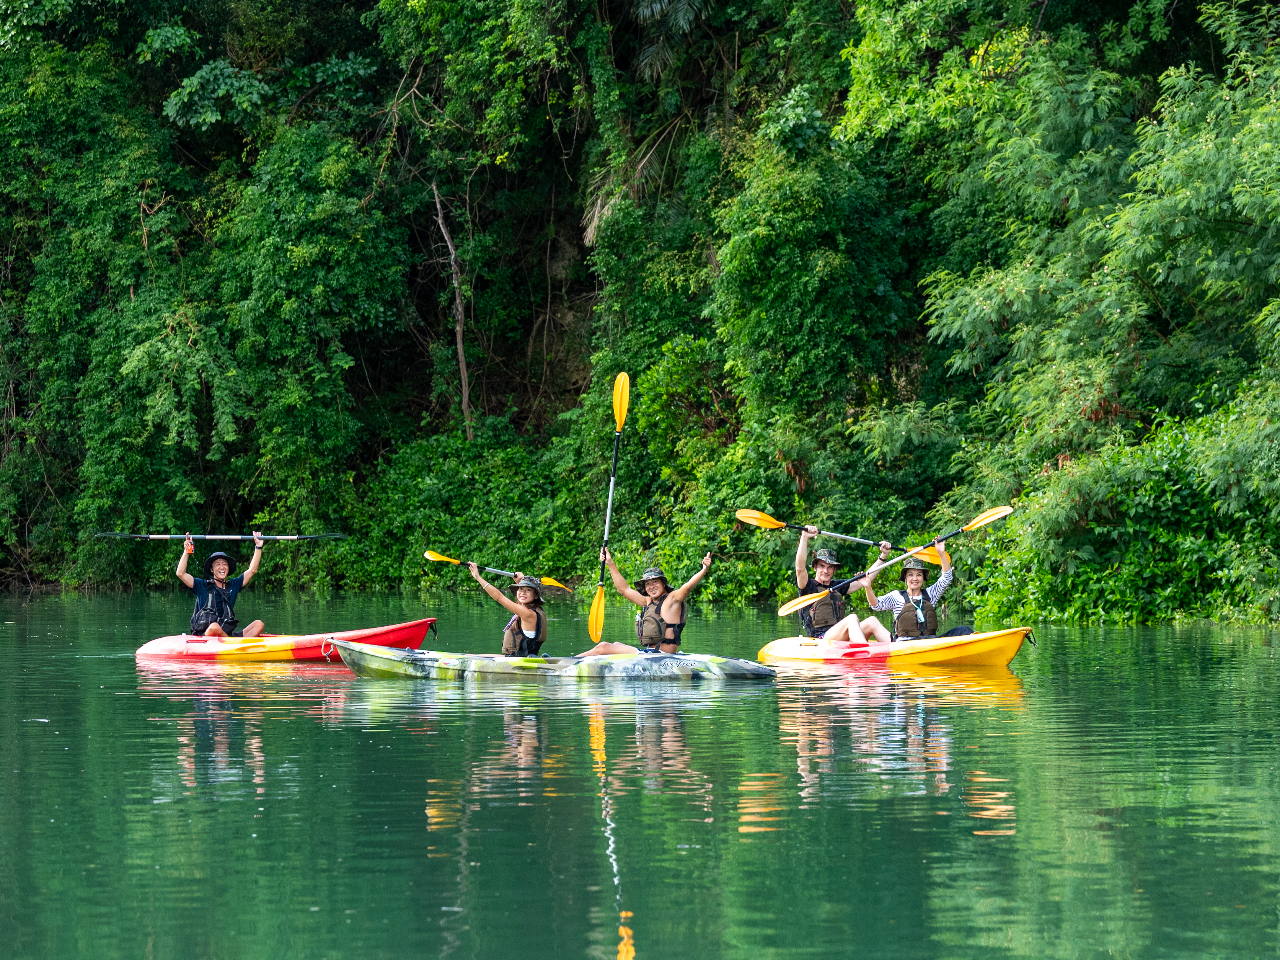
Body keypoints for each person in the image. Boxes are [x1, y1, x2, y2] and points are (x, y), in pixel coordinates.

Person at [579, 548, 712, 656]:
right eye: (647, 584)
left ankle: (569, 662)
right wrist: (610, 563)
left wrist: (704, 570)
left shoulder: (673, 599)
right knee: (616, 644)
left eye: (655, 582)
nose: (651, 586)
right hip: (650, 654)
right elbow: (624, 590)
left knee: (604, 647)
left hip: (660, 656)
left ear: (663, 584)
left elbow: (687, 587)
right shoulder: (648, 601)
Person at [794, 527, 891, 643]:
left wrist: (883, 556)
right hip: (820, 640)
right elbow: (800, 568)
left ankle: (897, 647)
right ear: (815, 568)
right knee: (852, 618)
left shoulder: (838, 586)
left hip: (840, 637)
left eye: (830, 567)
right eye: (822, 566)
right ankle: (864, 651)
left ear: (834, 570)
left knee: (872, 621)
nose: (826, 571)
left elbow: (867, 578)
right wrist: (804, 537)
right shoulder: (807, 586)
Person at [176, 533, 265, 639]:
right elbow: (180, 573)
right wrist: (187, 551)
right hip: (207, 636)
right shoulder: (202, 585)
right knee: (214, 627)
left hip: (227, 635)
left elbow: (252, 570)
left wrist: (258, 546)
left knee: (258, 624)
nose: (222, 567)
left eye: (225, 564)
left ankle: (232, 644)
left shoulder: (233, 585)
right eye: (218, 564)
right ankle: (233, 644)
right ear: (212, 569)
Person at [863, 543, 954, 640]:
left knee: (963, 630)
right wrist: (868, 587)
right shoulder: (896, 596)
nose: (915, 578)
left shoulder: (930, 594)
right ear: (905, 578)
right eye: (910, 575)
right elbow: (876, 605)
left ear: (923, 578)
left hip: (929, 641)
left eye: (919, 575)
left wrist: (941, 553)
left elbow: (946, 578)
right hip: (905, 644)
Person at [467, 563, 547, 656]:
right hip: (521, 659)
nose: (523, 593)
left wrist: (478, 577)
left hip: (519, 662)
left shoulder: (528, 614)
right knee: (475, 656)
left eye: (528, 590)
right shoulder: (535, 611)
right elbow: (521, 603)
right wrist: (521, 581)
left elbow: (499, 597)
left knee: (473, 657)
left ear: (536, 595)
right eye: (520, 589)